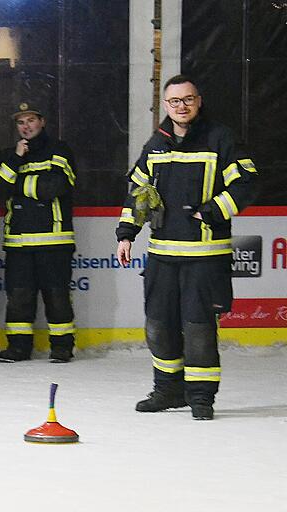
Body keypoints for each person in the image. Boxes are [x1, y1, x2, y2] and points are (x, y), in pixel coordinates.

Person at [116, 74, 258, 420]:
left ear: (199, 100)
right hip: (163, 255)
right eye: (175, 101)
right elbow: (138, 193)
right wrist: (126, 233)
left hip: (205, 257)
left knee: (198, 328)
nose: (182, 106)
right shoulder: (156, 143)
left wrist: (210, 211)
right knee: (158, 326)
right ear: (166, 105)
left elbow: (247, 184)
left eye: (188, 99)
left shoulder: (220, 137)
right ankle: (168, 390)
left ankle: (200, 397)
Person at [0, 103, 77, 363]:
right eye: (20, 122)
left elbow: (56, 186)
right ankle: (18, 348)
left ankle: (62, 348)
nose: (26, 126)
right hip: (18, 243)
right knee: (18, 299)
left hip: (55, 241)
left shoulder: (59, 150)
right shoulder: (9, 155)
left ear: (42, 121)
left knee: (57, 297)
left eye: (30, 120)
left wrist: (15, 185)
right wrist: (16, 160)